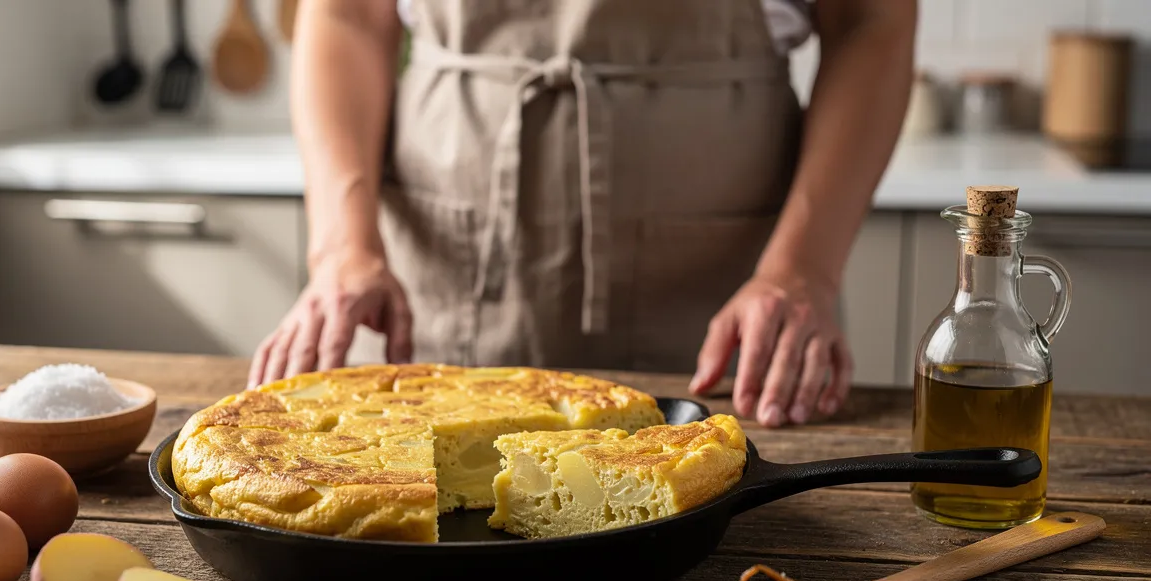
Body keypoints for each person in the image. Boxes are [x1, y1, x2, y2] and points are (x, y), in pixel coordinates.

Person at [249, 0, 916, 428]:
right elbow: (346, 16)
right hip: (449, 262)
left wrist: (803, 270)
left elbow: (871, 20)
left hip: (734, 284)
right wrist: (341, 249)